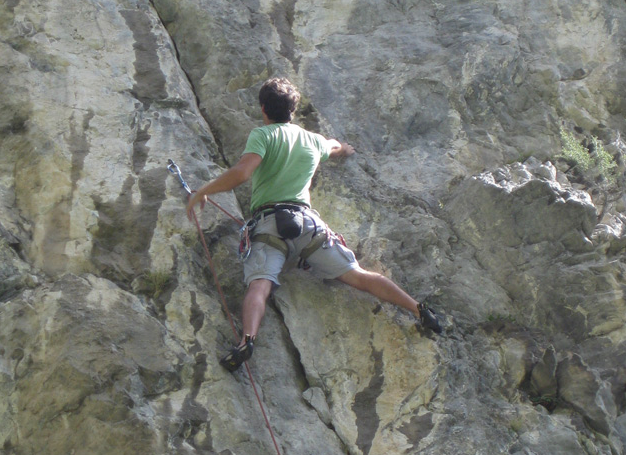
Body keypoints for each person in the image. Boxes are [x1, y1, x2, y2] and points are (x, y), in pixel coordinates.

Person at [186, 77, 444, 372]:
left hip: (269, 224)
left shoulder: (263, 135)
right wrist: (347, 149)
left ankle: (247, 341)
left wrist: (203, 191)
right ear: (293, 111)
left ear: (263, 109)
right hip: (308, 224)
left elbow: (243, 172)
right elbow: (336, 147)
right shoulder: (313, 140)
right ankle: (418, 308)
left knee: (259, 285)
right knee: (358, 275)